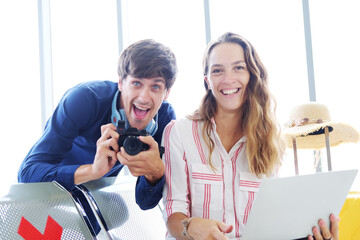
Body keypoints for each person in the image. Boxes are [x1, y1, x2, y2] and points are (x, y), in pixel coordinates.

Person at [162, 32, 339, 240]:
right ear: (207, 81)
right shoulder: (179, 132)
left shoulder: (270, 140)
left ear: (252, 76)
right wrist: (190, 227)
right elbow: (173, 215)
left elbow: (270, 224)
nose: (228, 79)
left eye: (239, 68)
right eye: (218, 70)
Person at [18, 39, 177, 211]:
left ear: (166, 93)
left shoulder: (165, 119)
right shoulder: (84, 99)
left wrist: (155, 173)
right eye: (136, 83)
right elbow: (27, 174)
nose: (144, 98)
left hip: (88, 199)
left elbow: (145, 203)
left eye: (155, 87)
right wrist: (93, 171)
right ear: (121, 83)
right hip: (44, 195)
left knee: (118, 210)